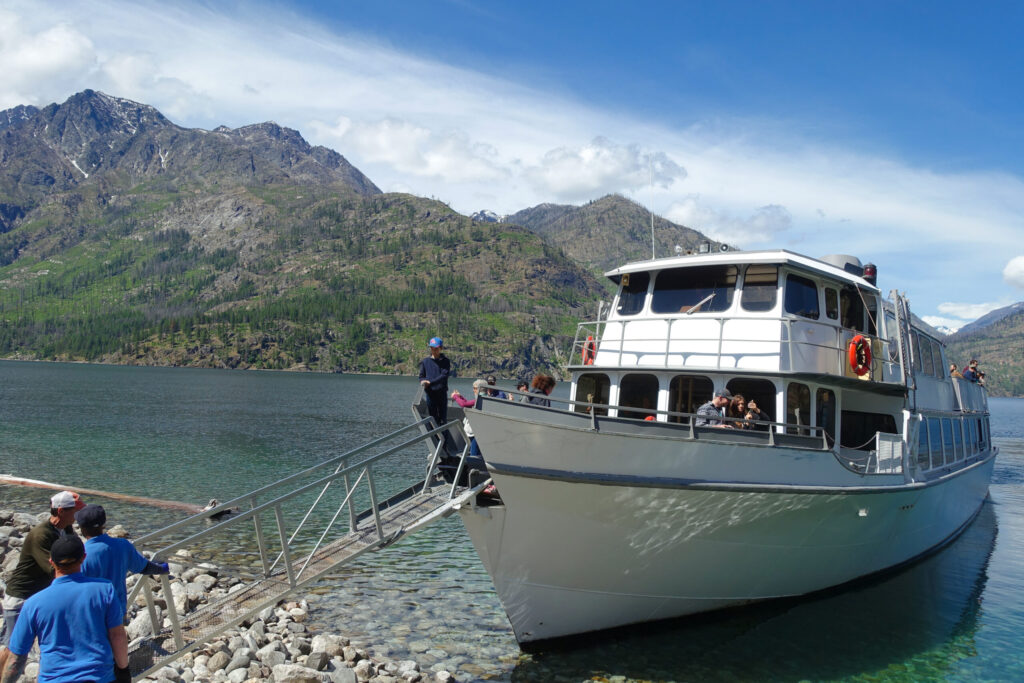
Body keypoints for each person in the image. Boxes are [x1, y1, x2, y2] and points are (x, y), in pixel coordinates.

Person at [1, 535, 129, 683]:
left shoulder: (33, 604)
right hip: (99, 677)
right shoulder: (105, 590)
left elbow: (16, 658)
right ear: (83, 558)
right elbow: (117, 635)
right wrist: (123, 671)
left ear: (51, 562)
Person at [0, 491, 84, 672]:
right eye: (75, 510)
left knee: (25, 648)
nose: (78, 515)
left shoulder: (66, 530)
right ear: (61, 511)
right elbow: (55, 569)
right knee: (13, 650)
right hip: (21, 597)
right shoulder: (41, 535)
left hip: (39, 597)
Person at [76, 505, 170, 619]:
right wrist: (162, 568)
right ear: (104, 525)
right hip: (117, 610)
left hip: (92, 614)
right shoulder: (123, 545)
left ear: (82, 528)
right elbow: (144, 567)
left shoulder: (81, 554)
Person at [419, 336, 453, 451]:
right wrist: (423, 382)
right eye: (432, 348)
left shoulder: (446, 361)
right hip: (430, 394)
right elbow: (421, 376)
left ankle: (445, 445)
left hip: (441, 393)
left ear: (441, 348)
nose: (434, 350)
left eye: (436, 348)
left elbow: (444, 376)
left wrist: (430, 382)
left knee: (443, 419)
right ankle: (436, 442)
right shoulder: (425, 361)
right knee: (433, 418)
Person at [451, 379, 487, 456]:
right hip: (477, 431)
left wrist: (455, 396)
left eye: (474, 388)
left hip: (476, 432)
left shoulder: (481, 399)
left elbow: (464, 404)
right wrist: (460, 397)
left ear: (479, 389)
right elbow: (468, 404)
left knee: (474, 453)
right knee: (475, 452)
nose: (473, 390)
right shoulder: (484, 398)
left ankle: (475, 467)